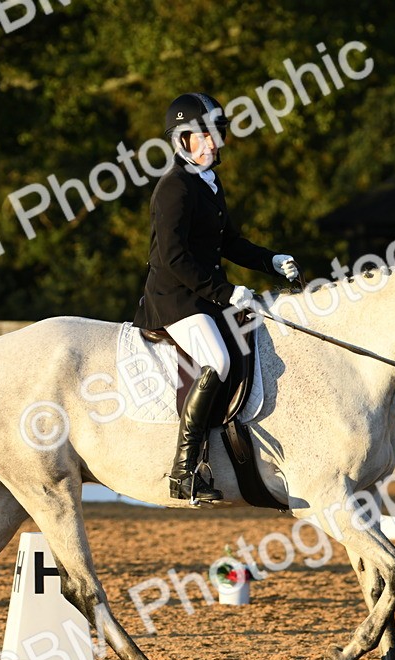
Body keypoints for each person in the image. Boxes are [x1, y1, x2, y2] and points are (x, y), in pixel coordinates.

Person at [133, 92, 299, 503]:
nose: (211, 144)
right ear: (181, 141)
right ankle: (184, 471)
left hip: (203, 297)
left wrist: (270, 260)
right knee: (218, 360)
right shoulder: (175, 188)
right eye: (202, 136)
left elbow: (229, 243)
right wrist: (227, 292)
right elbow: (173, 258)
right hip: (175, 300)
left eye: (215, 135)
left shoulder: (207, 183)